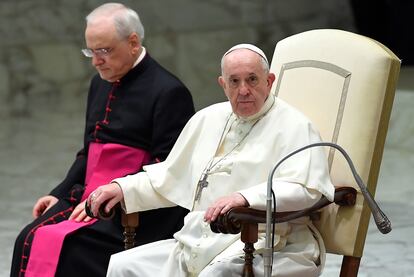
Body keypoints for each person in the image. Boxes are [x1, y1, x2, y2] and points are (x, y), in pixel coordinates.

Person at [89, 43, 335, 276]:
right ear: (222, 84)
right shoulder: (206, 119)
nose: (244, 90)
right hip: (198, 243)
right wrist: (122, 187)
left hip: (272, 245)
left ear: (269, 81)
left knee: (218, 273)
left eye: (252, 79)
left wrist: (246, 198)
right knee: (124, 266)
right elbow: (169, 178)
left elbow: (307, 190)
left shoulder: (295, 126)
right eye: (234, 81)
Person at [11, 3, 194, 277]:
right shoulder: (99, 83)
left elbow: (167, 168)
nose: (96, 61)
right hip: (88, 194)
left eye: (104, 51)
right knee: (27, 238)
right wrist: (58, 194)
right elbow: (89, 152)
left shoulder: (169, 91)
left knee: (71, 248)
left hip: (134, 209)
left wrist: (112, 195)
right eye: (90, 51)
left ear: (133, 42)